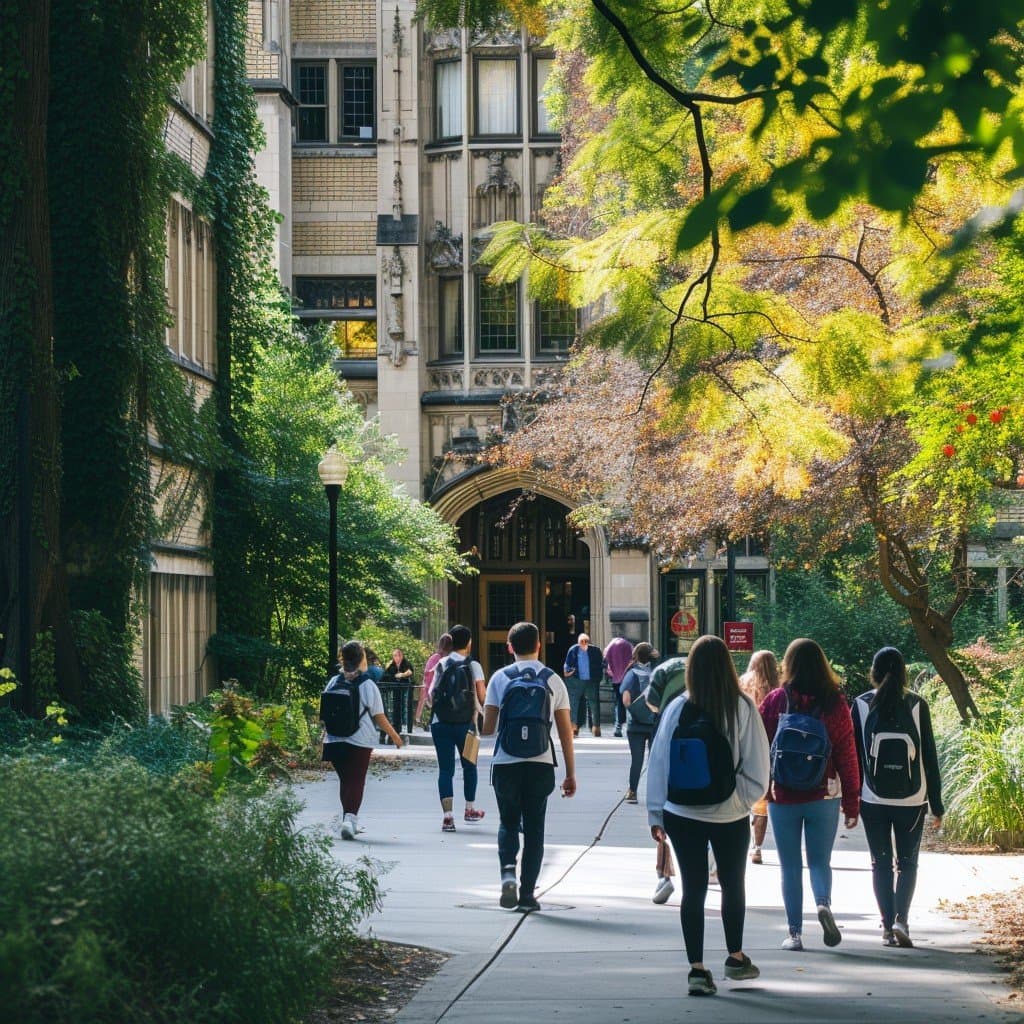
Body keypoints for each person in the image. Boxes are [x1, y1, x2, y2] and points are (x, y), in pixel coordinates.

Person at [646, 635, 770, 996]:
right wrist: (739, 800)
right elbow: (759, 768)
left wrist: (656, 813)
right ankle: (735, 957)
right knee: (733, 885)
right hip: (729, 814)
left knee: (693, 890)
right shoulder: (742, 707)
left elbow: (659, 763)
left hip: (681, 812)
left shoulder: (676, 708)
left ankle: (696, 970)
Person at [759, 638, 860, 951]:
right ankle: (823, 903)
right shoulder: (835, 703)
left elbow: (760, 749)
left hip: (783, 795)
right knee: (819, 861)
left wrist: (763, 791)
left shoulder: (775, 701)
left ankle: (794, 934)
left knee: (790, 866)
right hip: (823, 794)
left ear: (788, 664)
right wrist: (852, 802)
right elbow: (847, 754)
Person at [482, 621, 576, 913]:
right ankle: (527, 895)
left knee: (508, 822)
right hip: (540, 763)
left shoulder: (499, 678)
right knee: (535, 829)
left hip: (506, 762)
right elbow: (564, 732)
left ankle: (507, 872)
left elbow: (487, 728)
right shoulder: (552, 680)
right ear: (538, 646)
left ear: (510, 647)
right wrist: (570, 773)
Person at [853, 647, 944, 948]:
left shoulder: (862, 705)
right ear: (904, 672)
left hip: (873, 799)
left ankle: (886, 929)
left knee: (880, 863)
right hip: (913, 798)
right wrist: (937, 804)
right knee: (907, 862)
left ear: (874, 672)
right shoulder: (917, 705)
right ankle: (901, 920)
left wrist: (851, 801)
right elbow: (929, 758)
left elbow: (854, 759)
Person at [322, 639, 404, 840]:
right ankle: (350, 820)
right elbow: (379, 716)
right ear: (361, 659)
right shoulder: (368, 685)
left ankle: (347, 819)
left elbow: (324, 711)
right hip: (359, 740)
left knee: (346, 781)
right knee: (356, 781)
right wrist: (395, 737)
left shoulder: (333, 681)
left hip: (334, 739)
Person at [428, 624, 487, 832]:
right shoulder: (474, 666)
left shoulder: (441, 663)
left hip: (440, 724)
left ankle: (448, 816)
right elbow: (482, 697)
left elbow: (430, 695)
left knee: (445, 770)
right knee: (470, 766)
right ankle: (470, 809)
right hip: (468, 726)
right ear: (469, 642)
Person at [739, 650, 781, 864]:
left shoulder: (742, 683)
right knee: (763, 798)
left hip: (745, 742)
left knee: (743, 794)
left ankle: (744, 840)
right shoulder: (779, 687)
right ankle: (757, 847)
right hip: (771, 745)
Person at [563, 633, 604, 737]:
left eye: (586, 641)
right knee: (574, 704)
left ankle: (596, 728)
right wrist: (569, 672)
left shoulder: (595, 650)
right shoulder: (574, 650)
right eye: (581, 641)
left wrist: (597, 678)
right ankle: (573, 728)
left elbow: (601, 664)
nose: (584, 643)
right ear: (578, 642)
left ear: (589, 642)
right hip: (576, 680)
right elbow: (567, 663)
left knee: (594, 705)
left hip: (591, 681)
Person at [416, 633, 453, 729]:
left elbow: (427, 674)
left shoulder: (435, 657)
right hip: (440, 690)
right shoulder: (449, 659)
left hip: (433, 689)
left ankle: (425, 722)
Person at [604, 635, 634, 737]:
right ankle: (631, 725)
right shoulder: (628, 645)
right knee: (630, 702)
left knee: (619, 703)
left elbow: (606, 658)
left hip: (616, 679)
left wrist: (611, 672)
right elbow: (634, 659)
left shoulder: (611, 646)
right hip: (628, 678)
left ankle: (618, 727)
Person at [383, 648, 415, 733]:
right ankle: (395, 725)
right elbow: (386, 674)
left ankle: (404, 726)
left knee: (404, 706)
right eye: (394, 656)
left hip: (405, 689)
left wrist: (402, 674)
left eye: (398, 655)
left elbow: (409, 672)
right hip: (394, 688)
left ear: (401, 656)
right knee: (395, 707)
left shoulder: (406, 663)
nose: (396, 657)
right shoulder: (391, 664)